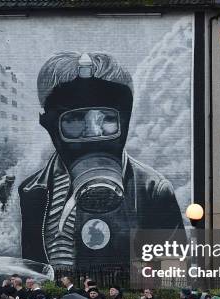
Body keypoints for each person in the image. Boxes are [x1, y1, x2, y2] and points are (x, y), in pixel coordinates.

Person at [19, 52, 184, 269]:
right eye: (75, 120)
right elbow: (33, 271)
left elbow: (172, 274)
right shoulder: (32, 191)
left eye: (107, 120)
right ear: (48, 125)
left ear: (125, 120)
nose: (94, 135)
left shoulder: (152, 191)